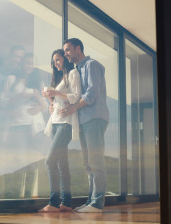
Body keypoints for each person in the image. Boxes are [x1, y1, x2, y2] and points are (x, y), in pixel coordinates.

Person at [60, 38, 109, 213]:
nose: (66, 54)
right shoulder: (77, 70)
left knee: (95, 162)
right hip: (84, 120)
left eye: (68, 50)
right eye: (64, 51)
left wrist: (74, 107)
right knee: (88, 163)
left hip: (94, 118)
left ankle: (97, 204)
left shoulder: (91, 65)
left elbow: (92, 93)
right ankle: (91, 203)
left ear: (78, 48)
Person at [38, 49, 81, 212]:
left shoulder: (73, 73)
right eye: (53, 60)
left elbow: (76, 96)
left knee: (50, 160)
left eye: (58, 59)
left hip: (66, 123)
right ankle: (66, 203)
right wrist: (51, 103)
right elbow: (60, 100)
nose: (55, 63)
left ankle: (54, 203)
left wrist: (56, 92)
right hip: (55, 122)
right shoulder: (58, 77)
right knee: (61, 163)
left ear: (65, 59)